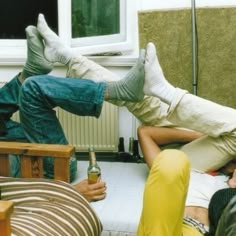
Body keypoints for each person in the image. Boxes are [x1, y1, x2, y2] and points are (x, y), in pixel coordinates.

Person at [36, 14, 236, 174]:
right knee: (138, 98)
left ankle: (164, 91)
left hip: (184, 157)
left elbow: (146, 133)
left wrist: (199, 135)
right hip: (207, 145)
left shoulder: (168, 166)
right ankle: (66, 56)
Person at [0, 22, 145, 202]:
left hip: (28, 151)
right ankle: (118, 91)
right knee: (32, 89)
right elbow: (9, 194)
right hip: (50, 169)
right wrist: (71, 191)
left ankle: (29, 74)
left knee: (30, 89)